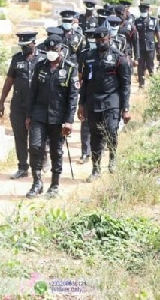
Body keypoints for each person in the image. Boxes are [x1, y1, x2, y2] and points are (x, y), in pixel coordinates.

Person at [25, 34, 79, 199]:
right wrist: (28, 115)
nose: (51, 52)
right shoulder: (40, 66)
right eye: (48, 49)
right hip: (39, 114)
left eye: (54, 49)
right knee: (35, 147)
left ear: (61, 49)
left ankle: (54, 184)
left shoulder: (70, 69)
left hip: (58, 117)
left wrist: (69, 121)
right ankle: (37, 182)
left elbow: (73, 97)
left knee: (56, 151)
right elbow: (32, 92)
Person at [78, 28, 131, 182]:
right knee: (95, 136)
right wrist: (81, 104)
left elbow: (125, 84)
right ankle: (96, 169)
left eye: (104, 39)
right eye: (98, 40)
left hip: (112, 100)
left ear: (109, 38)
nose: (101, 42)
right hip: (93, 102)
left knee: (111, 131)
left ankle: (113, 159)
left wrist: (125, 108)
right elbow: (85, 83)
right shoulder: (88, 57)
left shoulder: (119, 58)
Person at [0, 32, 45, 179]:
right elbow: (9, 81)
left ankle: (39, 164)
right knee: (20, 136)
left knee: (37, 137)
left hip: (37, 105)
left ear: (33, 44)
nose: (24, 49)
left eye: (26, 46)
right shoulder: (17, 59)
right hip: (19, 104)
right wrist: (1, 101)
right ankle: (22, 166)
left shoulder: (42, 59)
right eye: (22, 47)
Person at [76, 28, 97, 164]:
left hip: (102, 93)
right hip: (87, 91)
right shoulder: (84, 54)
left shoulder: (104, 53)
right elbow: (80, 74)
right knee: (85, 124)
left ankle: (97, 152)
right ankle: (85, 152)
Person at [134, 3, 160, 88]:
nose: (143, 11)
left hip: (150, 47)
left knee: (151, 65)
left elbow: (158, 33)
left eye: (145, 10)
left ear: (148, 10)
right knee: (140, 66)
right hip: (141, 48)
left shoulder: (154, 20)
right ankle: (141, 84)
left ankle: (154, 85)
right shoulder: (137, 21)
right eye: (142, 10)